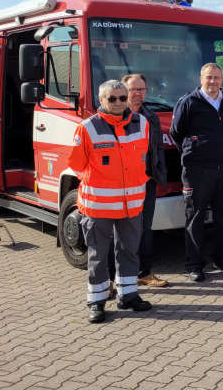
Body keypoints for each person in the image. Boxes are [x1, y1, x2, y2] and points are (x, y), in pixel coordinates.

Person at [69, 80, 152, 323]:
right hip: (99, 207)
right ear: (101, 101)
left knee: (129, 252)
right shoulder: (87, 128)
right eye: (112, 98)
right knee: (98, 255)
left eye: (122, 98)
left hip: (132, 205)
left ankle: (128, 295)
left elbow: (145, 157)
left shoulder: (142, 123)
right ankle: (96, 301)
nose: (118, 103)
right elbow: (76, 165)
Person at [170, 63, 223, 282]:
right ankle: (194, 265)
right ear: (201, 78)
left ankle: (222, 260)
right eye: (209, 77)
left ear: (222, 79)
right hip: (197, 171)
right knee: (196, 217)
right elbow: (176, 133)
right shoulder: (189, 102)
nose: (213, 82)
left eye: (217, 78)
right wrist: (195, 153)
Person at [120, 73, 169, 288]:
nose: (138, 93)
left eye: (142, 89)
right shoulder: (116, 116)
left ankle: (144, 272)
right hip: (120, 184)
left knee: (144, 228)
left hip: (146, 181)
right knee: (120, 231)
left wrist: (159, 175)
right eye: (133, 90)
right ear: (124, 91)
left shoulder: (151, 117)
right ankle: (117, 278)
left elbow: (157, 149)